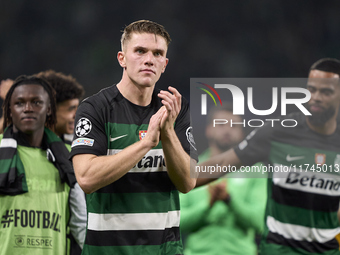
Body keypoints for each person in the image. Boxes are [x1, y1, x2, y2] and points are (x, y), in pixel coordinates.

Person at [69, 20, 198, 254]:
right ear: (122, 59)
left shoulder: (175, 109)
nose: (149, 59)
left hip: (163, 249)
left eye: (157, 53)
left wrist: (167, 133)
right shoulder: (95, 109)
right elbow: (86, 178)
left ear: (164, 64)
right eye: (140, 51)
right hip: (108, 250)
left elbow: (187, 183)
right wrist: (146, 143)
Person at [197, 58, 340, 254]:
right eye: (312, 89)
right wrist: (180, 175)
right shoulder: (277, 132)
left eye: (326, 92)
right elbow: (223, 162)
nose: (316, 97)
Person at [0, 75, 86, 255]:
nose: (28, 109)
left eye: (36, 103)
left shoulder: (70, 158)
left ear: (49, 109)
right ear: (9, 110)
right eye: (19, 103)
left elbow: (80, 223)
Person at [180, 104, 267, 255]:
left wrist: (229, 200)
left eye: (234, 125)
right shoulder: (191, 169)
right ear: (209, 129)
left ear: (241, 132)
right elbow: (178, 221)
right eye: (220, 124)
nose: (227, 130)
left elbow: (260, 222)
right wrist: (207, 205)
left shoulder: (256, 171)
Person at [36, 70, 85, 145]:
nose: (77, 115)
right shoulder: (18, 147)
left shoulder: (72, 149)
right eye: (71, 108)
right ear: (48, 109)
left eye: (77, 108)